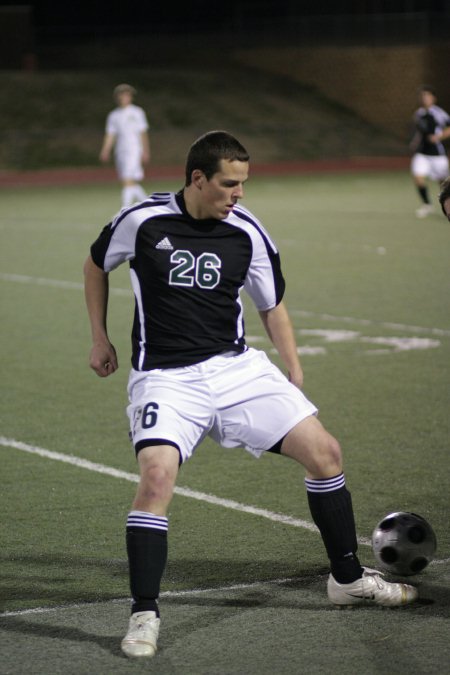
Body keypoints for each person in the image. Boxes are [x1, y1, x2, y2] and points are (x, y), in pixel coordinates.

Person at [84, 130, 418, 660]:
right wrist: (100, 337)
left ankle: (348, 579)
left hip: (237, 369)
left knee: (325, 452)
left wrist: (293, 367)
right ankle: (144, 613)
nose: (239, 194)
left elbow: (270, 304)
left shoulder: (248, 230)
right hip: (166, 378)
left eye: (243, 183)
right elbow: (96, 265)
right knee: (156, 477)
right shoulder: (142, 221)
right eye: (229, 184)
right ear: (198, 179)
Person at [99, 83, 150, 208]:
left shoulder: (137, 112)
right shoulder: (113, 115)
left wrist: (145, 150)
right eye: (122, 95)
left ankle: (124, 209)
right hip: (120, 151)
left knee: (128, 180)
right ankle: (149, 204)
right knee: (128, 181)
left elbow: (143, 133)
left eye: (128, 95)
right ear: (117, 97)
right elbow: (110, 134)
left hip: (134, 150)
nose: (125, 97)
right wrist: (105, 150)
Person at [410, 85, 450, 218]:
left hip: (437, 154)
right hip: (422, 153)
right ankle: (427, 205)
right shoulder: (419, 114)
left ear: (433, 98)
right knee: (418, 177)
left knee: (444, 184)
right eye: (423, 96)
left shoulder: (438, 113)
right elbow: (420, 132)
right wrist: (415, 142)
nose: (425, 98)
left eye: (427, 96)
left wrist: (438, 137)